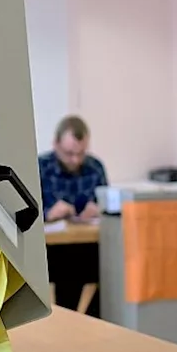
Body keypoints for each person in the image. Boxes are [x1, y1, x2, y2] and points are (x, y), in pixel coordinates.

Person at [38, 115, 109, 317]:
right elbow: (25, 212)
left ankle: (88, 318)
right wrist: (47, 214)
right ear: (55, 144)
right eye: (69, 154)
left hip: (87, 244)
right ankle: (65, 317)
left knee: (105, 263)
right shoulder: (40, 166)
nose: (75, 160)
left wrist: (97, 210)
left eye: (81, 153)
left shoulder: (95, 167)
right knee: (63, 266)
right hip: (52, 248)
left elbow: (108, 207)